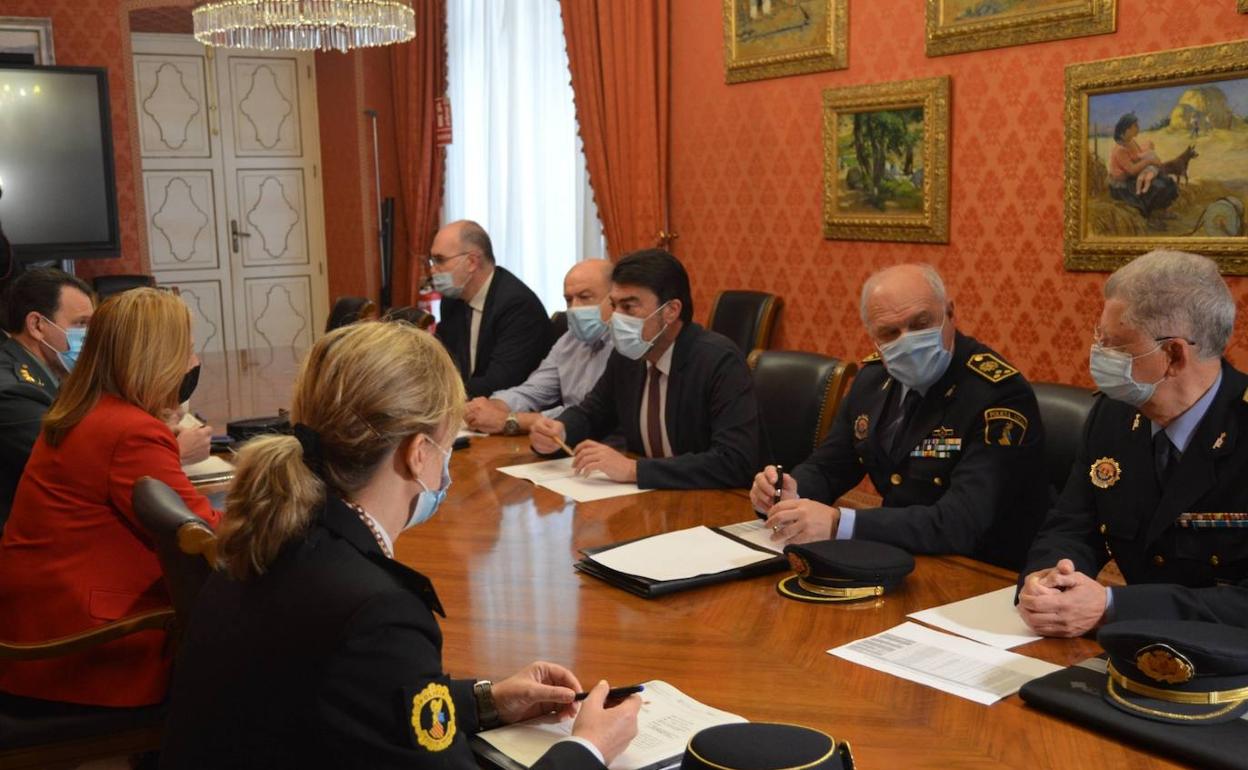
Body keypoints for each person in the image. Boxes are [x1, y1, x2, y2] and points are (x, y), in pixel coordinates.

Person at [160, 322, 639, 769]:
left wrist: (488, 699)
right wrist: (589, 748)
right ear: (418, 453)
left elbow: (364, 696)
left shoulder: (273, 533)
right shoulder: (376, 609)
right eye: (448, 444)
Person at [0, 288, 220, 707]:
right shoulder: (130, 431)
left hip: (36, 634)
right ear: (158, 357)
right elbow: (205, 537)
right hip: (86, 654)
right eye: (187, 350)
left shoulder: (87, 411)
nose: (194, 362)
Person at [750, 264, 1048, 570]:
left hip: (980, 570)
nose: (907, 341)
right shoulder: (872, 381)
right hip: (900, 555)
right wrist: (789, 490)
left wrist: (840, 522)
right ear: (874, 340)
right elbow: (829, 467)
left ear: (950, 313)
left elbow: (959, 523)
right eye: (890, 333)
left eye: (921, 324)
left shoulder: (998, 395)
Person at [1018, 250, 1248, 637]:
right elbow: (1071, 525)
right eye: (1099, 339)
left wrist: (1112, 605)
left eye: (1116, 346)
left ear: (1174, 355)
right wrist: (1050, 581)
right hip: (1126, 647)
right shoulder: (1114, 415)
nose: (1098, 356)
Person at [529, 249, 760, 490]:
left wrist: (634, 470)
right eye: (614, 305)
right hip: (651, 498)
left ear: (671, 311)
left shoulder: (718, 360)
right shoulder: (627, 357)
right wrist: (559, 431)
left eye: (629, 307)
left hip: (714, 502)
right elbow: (592, 412)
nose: (616, 318)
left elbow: (734, 461)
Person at [0, 269, 211, 529]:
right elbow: (81, 472)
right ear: (37, 325)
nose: (90, 335)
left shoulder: (64, 379)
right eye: (81, 323)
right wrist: (173, 450)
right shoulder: (12, 391)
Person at [464, 259, 614, 435]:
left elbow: (591, 415)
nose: (574, 308)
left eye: (585, 297)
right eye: (568, 300)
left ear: (614, 298)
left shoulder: (624, 346)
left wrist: (510, 420)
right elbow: (533, 391)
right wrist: (490, 407)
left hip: (613, 449)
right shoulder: (569, 341)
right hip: (564, 445)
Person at [430, 220, 554, 398]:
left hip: (512, 411)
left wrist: (439, 396)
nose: (433, 270)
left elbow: (501, 380)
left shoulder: (517, 305)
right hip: (468, 408)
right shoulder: (452, 301)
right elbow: (444, 364)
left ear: (472, 261)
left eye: (439, 260)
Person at [1107, 113, 1179, 227]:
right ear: (1127, 128)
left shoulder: (1131, 142)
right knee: (1155, 187)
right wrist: (1149, 161)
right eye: (1135, 125)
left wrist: (1150, 156)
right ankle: (1149, 219)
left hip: (1132, 178)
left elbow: (1137, 157)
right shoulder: (1120, 149)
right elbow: (1131, 170)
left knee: (1166, 180)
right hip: (1123, 185)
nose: (1138, 128)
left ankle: (1162, 211)